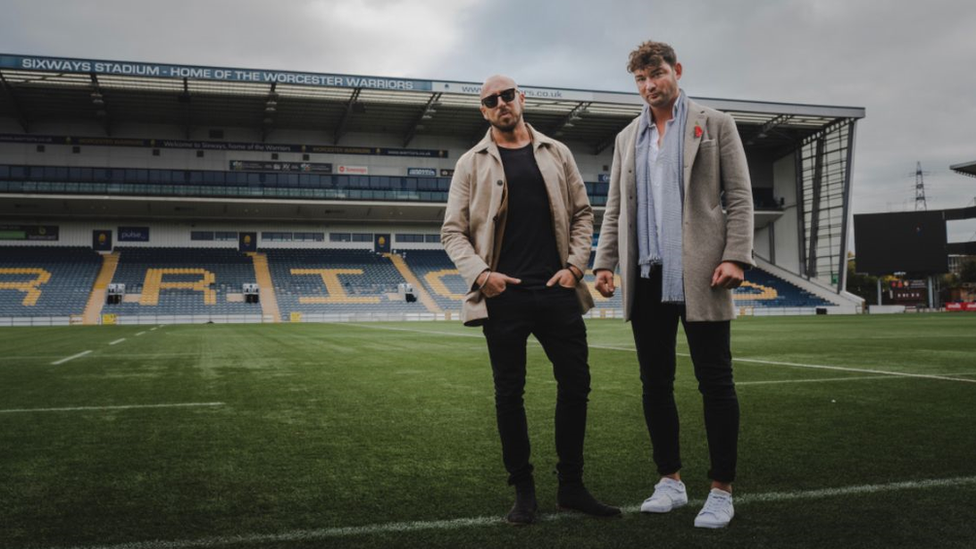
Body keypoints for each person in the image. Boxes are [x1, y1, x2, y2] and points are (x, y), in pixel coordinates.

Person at [441, 74, 620, 525]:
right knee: (509, 395)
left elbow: (583, 214)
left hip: (559, 290)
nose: (500, 103)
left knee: (576, 385)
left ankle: (572, 487)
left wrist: (577, 267)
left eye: (506, 95)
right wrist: (483, 275)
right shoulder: (471, 163)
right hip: (504, 296)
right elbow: (452, 231)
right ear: (484, 111)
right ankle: (523, 492)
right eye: (490, 100)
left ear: (521, 99)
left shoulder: (556, 152)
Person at [592, 41, 755, 529]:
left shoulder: (715, 123)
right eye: (641, 80)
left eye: (657, 75)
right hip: (647, 273)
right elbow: (616, 207)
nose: (649, 86)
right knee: (655, 383)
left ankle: (721, 490)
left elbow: (740, 196)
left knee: (715, 382)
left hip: (702, 271)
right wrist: (605, 262)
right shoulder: (628, 137)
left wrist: (736, 257)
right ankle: (670, 481)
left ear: (676, 71)